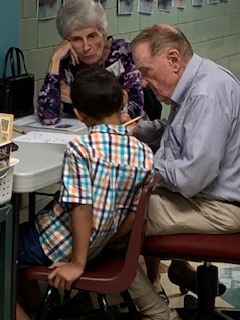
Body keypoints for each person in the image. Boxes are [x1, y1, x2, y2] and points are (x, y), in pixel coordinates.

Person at [16, 67, 155, 320]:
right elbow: (135, 214)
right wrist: (101, 243)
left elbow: (82, 208)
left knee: (6, 248)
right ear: (123, 99)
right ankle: (38, 308)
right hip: (97, 245)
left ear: (79, 114)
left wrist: (77, 263)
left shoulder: (81, 149)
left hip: (57, 243)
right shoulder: (144, 153)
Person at [127, 23, 240, 306]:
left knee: (109, 222)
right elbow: (178, 130)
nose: (142, 82)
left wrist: (138, 163)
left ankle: (156, 312)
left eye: (145, 71)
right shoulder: (198, 80)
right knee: (119, 205)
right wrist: (141, 131)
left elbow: (190, 178)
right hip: (203, 196)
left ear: (173, 59)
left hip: (217, 206)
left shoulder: (207, 93)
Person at [37, 0, 145, 125]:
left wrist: (76, 96)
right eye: (76, 39)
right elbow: (47, 116)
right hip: (77, 135)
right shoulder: (67, 61)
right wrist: (54, 60)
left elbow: (134, 111)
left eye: (92, 36)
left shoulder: (123, 53)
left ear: (104, 34)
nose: (86, 47)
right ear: (67, 41)